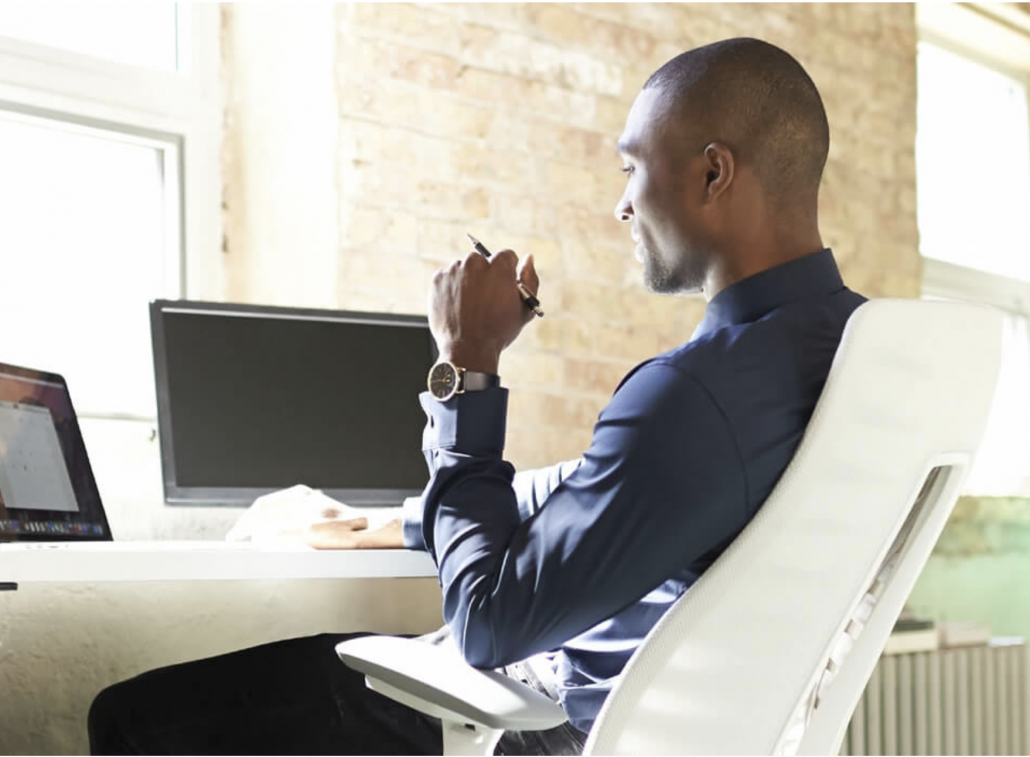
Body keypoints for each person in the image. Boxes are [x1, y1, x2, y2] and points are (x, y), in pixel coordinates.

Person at [88, 37, 867, 755]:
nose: (622, 205)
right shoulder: (851, 351)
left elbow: (487, 622)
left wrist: (468, 364)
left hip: (558, 727)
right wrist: (399, 519)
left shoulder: (694, 393)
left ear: (712, 172)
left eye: (632, 167)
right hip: (705, 727)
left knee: (136, 717)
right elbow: (607, 489)